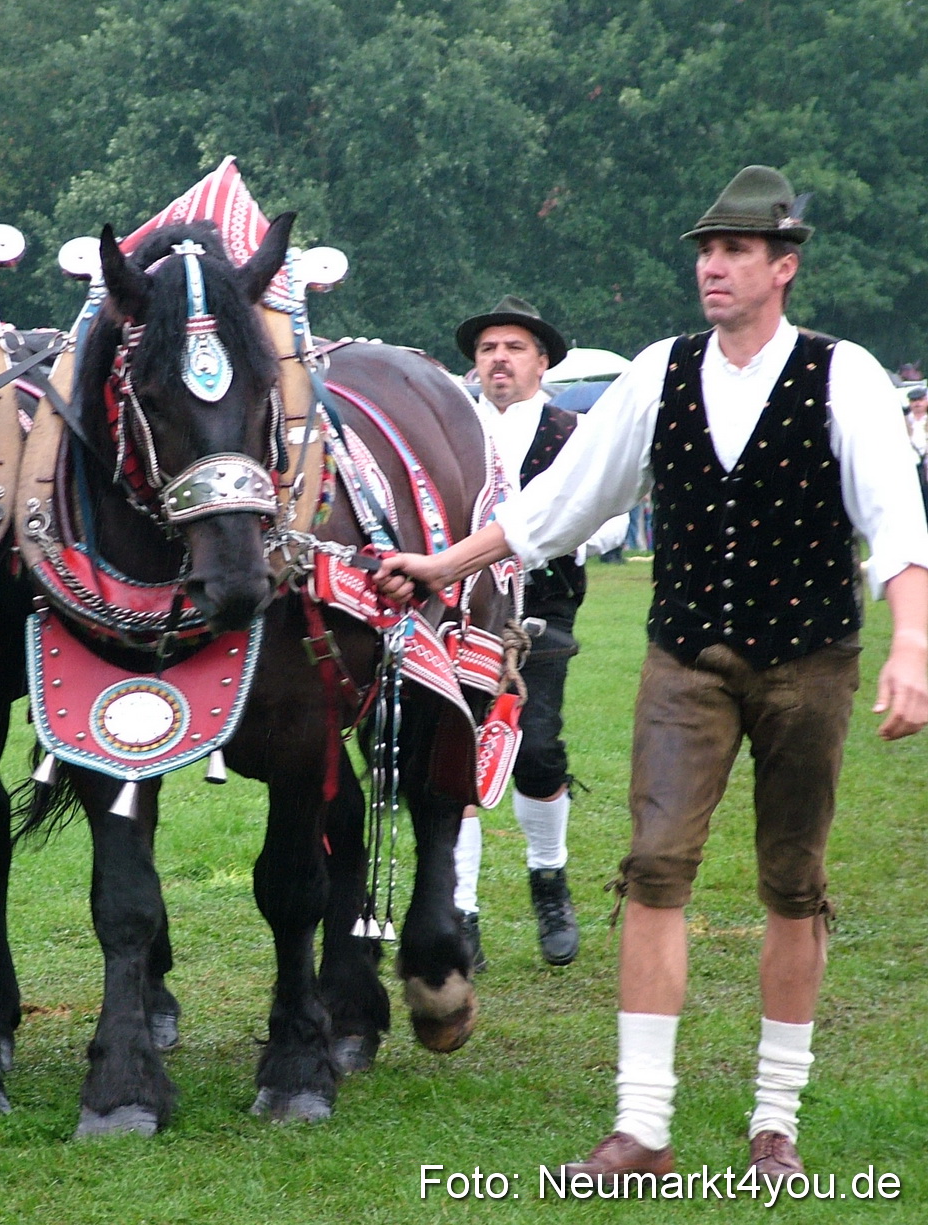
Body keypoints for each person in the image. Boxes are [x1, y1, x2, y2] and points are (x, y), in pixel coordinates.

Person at [376, 165, 928, 1179]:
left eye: (733, 252)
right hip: (685, 658)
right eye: (704, 252)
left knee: (791, 885)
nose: (711, 267)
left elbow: (896, 520)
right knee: (655, 869)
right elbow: (561, 505)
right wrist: (441, 566)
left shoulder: (841, 374)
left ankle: (775, 1122)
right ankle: (641, 1127)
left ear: (783, 266)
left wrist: (911, 643)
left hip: (810, 659)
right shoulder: (657, 371)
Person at [451, 295, 626, 970]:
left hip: (541, 609)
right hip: (457, 610)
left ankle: (547, 879)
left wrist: (553, 534)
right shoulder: (449, 426)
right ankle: (460, 910)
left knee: (537, 750)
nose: (499, 358)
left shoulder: (573, 431)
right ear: (475, 361)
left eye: (514, 347)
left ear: (541, 361)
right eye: (488, 347)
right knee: (456, 753)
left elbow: (610, 517)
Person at [905, 385, 928, 518]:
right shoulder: (902, 421)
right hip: (910, 465)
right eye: (914, 401)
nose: (917, 403)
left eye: (920, 400)